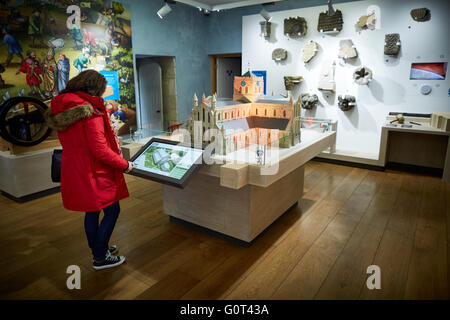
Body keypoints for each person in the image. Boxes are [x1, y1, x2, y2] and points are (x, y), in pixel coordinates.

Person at [45, 70, 133, 270]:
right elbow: (100, 150)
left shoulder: (63, 107)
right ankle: (100, 257)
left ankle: (98, 248)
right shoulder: (90, 112)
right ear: (94, 89)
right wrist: (125, 165)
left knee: (92, 211)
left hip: (76, 169)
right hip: (94, 172)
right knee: (112, 210)